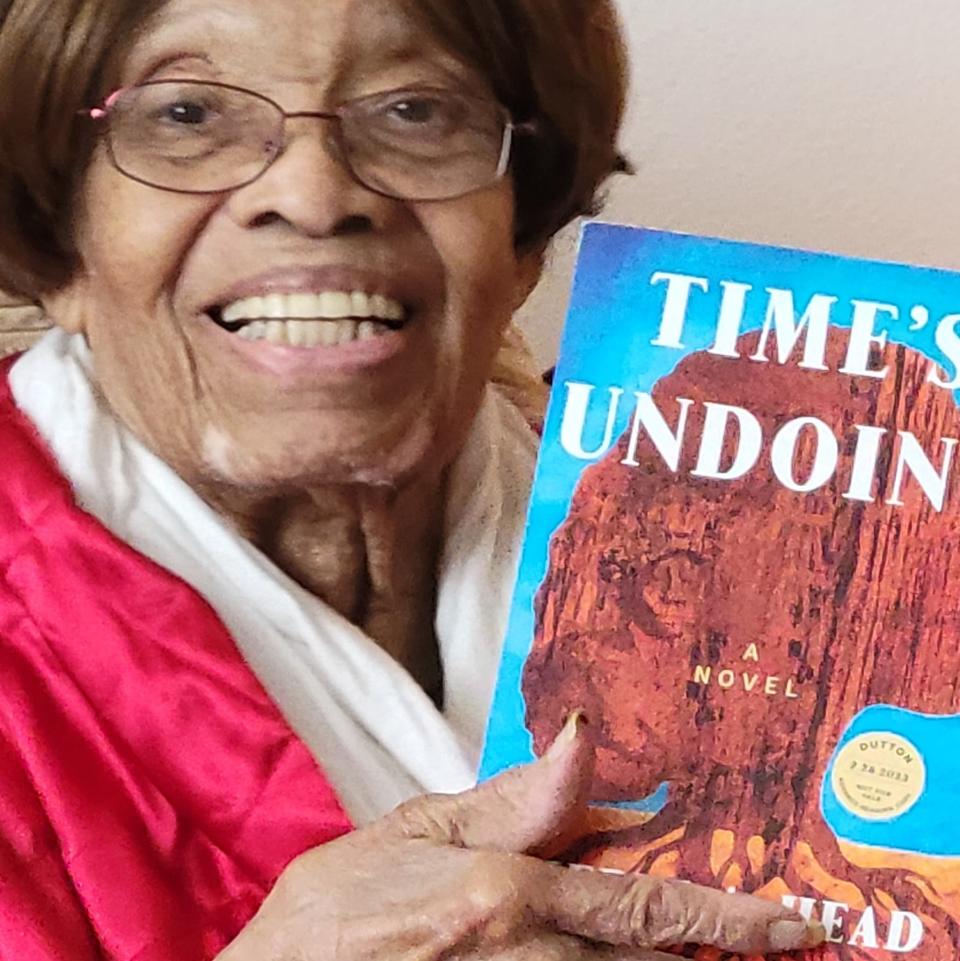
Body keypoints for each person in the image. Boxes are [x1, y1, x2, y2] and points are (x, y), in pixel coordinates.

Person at [0, 0, 827, 958]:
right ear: (61, 245)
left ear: (522, 239)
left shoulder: (759, 529)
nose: (313, 196)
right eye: (186, 114)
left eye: (415, 111)